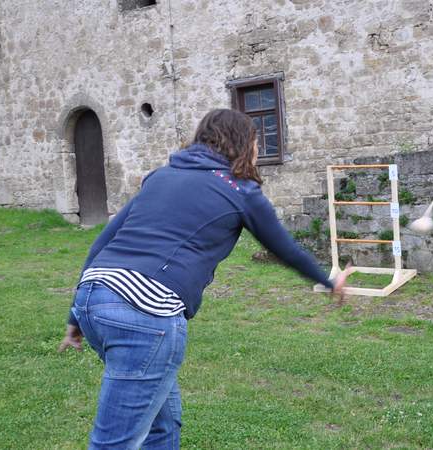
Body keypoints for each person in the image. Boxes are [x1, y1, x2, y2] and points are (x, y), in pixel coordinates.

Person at [58, 108, 346, 449]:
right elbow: (285, 249)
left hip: (95, 296)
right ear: (243, 144)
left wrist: (76, 313)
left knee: (162, 425)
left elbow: (104, 240)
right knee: (115, 443)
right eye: (255, 141)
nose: (257, 150)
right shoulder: (241, 191)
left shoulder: (161, 176)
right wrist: (329, 281)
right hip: (145, 313)